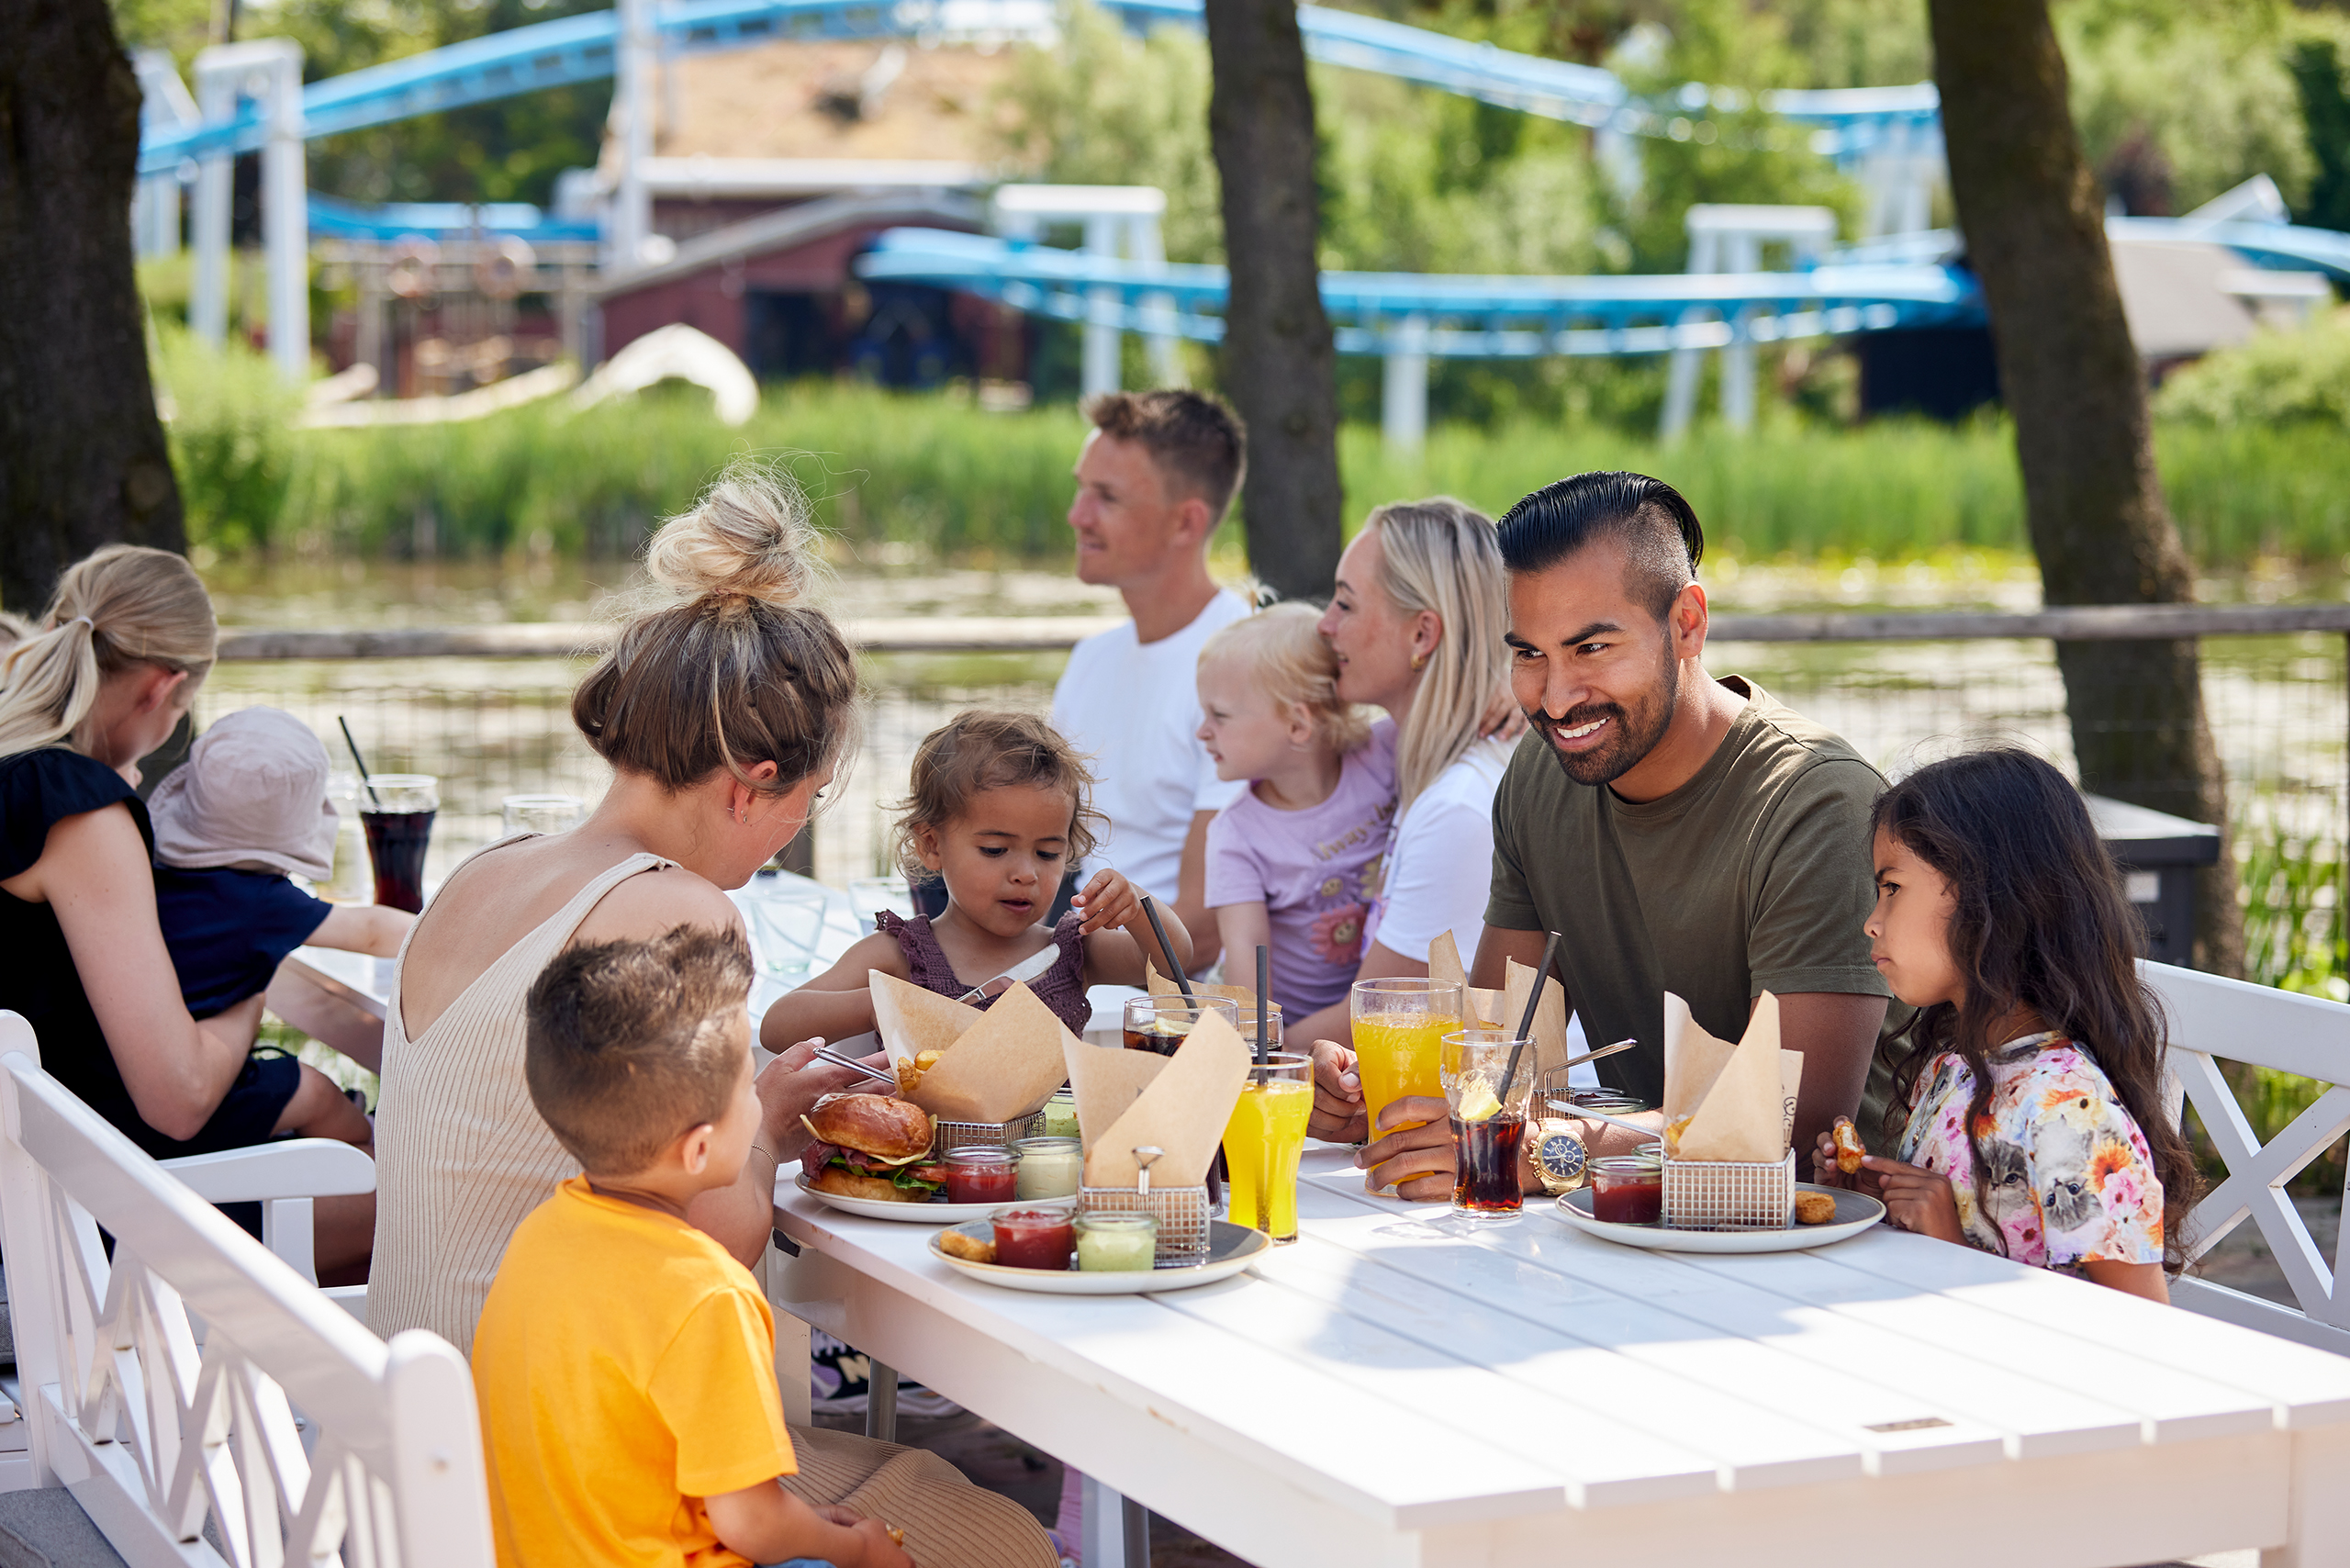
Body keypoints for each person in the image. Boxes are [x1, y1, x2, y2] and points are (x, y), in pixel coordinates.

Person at [370, 467, 1057, 1567]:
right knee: (997, 1534)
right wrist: (771, 1129)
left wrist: (759, 1112)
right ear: (751, 780)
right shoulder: (680, 909)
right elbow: (717, 1239)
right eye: (806, 804)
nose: (787, 837)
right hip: (558, 1463)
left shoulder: (484, 871)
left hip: (419, 1424)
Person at [1313, 472, 1896, 1198]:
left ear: (1687, 623)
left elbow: (1787, 1125)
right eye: (1528, 654)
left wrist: (1563, 1152)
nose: (1555, 698)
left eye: (1590, 649)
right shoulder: (1538, 775)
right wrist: (1377, 1098)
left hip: (1843, 1240)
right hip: (1629, 1224)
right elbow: (1496, 1053)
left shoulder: (1819, 805)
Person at [476, 925, 912, 1568]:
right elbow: (755, 1524)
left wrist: (802, 1526)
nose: (758, 1099)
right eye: (746, 1086)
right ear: (701, 1148)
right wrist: (859, 1549)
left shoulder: (542, 1234)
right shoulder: (708, 1293)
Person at [0, 546, 373, 1276]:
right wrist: (255, 968)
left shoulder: (23, 777)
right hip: (70, 1253)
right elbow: (181, 1099)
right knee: (424, 1202)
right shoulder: (77, 813)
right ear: (164, 689)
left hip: (35, 1196)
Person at [1808, 749, 2193, 1302]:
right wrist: (1871, 1198)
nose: (1872, 922)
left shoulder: (2068, 1113)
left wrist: (1948, 1248)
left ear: (1987, 895)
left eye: (1891, 888)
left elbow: (2144, 1328)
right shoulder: (1955, 1068)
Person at [767, 709, 1191, 1046]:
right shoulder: (898, 956)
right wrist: (882, 1003)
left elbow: (1175, 962)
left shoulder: (1070, 952)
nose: (1025, 873)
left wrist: (1137, 909)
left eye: (1047, 853)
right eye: (994, 850)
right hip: (928, 1154)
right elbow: (778, 1025)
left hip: (1051, 1153)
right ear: (932, 845)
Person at [1283, 498, 1516, 1048]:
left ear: (1421, 635)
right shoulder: (1427, 766)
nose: (1324, 624)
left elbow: (1369, 1022)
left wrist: (1230, 1063)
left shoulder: (1456, 807)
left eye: (1345, 604)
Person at [1052, 389, 1251, 970]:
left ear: (1186, 521)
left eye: (1106, 497)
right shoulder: (1090, 658)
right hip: (1078, 967)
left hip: (1167, 1009)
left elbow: (1203, 930)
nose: (1077, 515)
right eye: (1081, 487)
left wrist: (1042, 960)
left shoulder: (1245, 669)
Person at [149, 705, 408, 1073]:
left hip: (137, 1064)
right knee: (319, 1096)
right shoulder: (262, 902)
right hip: (200, 1073)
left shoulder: (154, 872)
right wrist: (452, 934)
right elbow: (368, 932)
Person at [1195, 602, 1393, 1019]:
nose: (1202, 731)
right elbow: (1245, 989)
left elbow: (1454, 711)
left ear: (1298, 725)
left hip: (1374, 1013)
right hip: (1288, 1027)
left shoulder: (1383, 755)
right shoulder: (1235, 836)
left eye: (1220, 715)